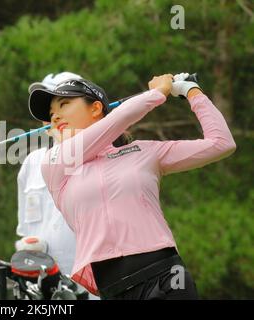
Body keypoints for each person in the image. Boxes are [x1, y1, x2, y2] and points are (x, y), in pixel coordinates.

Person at [28, 73, 236, 299]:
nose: (55, 117)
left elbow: (221, 144)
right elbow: (117, 121)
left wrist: (192, 91)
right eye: (51, 114)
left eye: (64, 104)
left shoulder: (144, 152)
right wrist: (157, 94)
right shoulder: (55, 162)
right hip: (113, 290)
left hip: (166, 276)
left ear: (96, 108)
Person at [16, 72, 82, 276]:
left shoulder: (102, 157)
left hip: (92, 290)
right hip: (42, 289)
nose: (52, 115)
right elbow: (25, 231)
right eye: (47, 109)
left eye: (62, 105)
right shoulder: (31, 163)